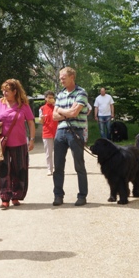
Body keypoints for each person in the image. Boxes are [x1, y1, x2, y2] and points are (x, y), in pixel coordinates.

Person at [0, 79, 35, 209]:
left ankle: (16, 195)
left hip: (20, 142)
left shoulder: (23, 105)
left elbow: (31, 122)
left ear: (15, 91)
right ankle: (5, 198)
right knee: (4, 170)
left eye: (7, 91)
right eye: (3, 90)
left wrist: (32, 140)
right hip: (2, 143)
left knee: (20, 169)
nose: (4, 93)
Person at [52, 67, 89, 207]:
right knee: (58, 166)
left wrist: (60, 110)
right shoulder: (60, 94)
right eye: (60, 78)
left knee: (79, 165)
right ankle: (58, 195)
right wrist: (64, 112)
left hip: (76, 132)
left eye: (63, 77)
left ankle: (82, 196)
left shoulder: (81, 93)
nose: (61, 80)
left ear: (72, 77)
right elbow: (54, 116)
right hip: (60, 133)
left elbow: (74, 113)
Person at [39, 90, 58, 176]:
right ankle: (49, 169)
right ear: (45, 98)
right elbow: (41, 122)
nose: (50, 99)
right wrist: (41, 118)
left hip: (57, 132)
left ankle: (58, 169)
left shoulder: (57, 106)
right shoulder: (42, 108)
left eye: (52, 97)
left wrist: (56, 106)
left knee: (59, 152)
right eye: (49, 97)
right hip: (47, 132)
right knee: (48, 152)